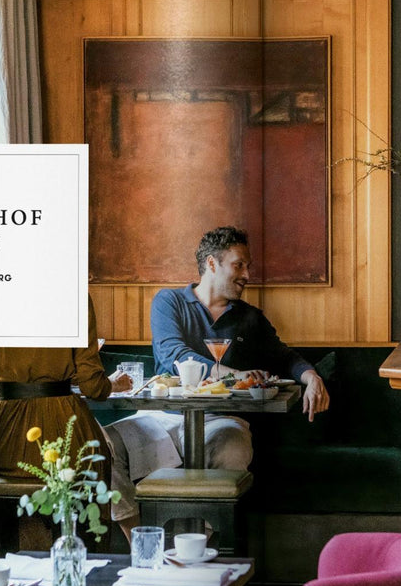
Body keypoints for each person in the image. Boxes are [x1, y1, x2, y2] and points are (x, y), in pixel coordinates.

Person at [103, 226, 329, 528]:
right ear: (212, 264)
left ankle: (199, 549)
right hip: (162, 416)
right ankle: (141, 548)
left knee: (233, 449)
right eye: (239, 264)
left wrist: (312, 376)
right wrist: (234, 376)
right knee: (102, 444)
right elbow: (173, 355)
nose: (247, 274)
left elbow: (284, 356)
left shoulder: (250, 318)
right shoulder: (170, 302)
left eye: (248, 266)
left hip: (222, 420)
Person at [0, 298, 131, 546]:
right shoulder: (72, 298)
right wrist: (111, 384)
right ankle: (82, 563)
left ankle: (0, 568)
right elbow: (93, 386)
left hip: (5, 442)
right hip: (64, 428)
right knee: (90, 474)